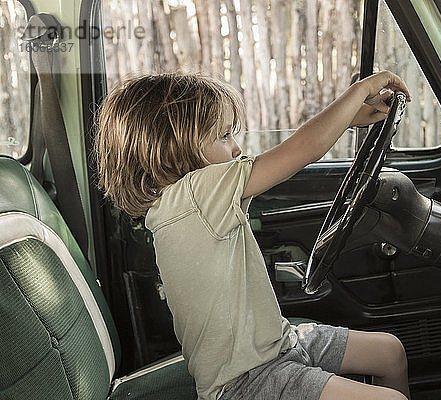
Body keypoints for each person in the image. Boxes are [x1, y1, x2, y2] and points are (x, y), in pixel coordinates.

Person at [94, 70, 412, 400]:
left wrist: (347, 119)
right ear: (171, 149)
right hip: (246, 382)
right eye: (223, 137)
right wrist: (361, 90)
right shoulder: (194, 194)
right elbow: (306, 147)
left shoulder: (184, 202)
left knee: (390, 352)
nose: (236, 148)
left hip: (277, 345)